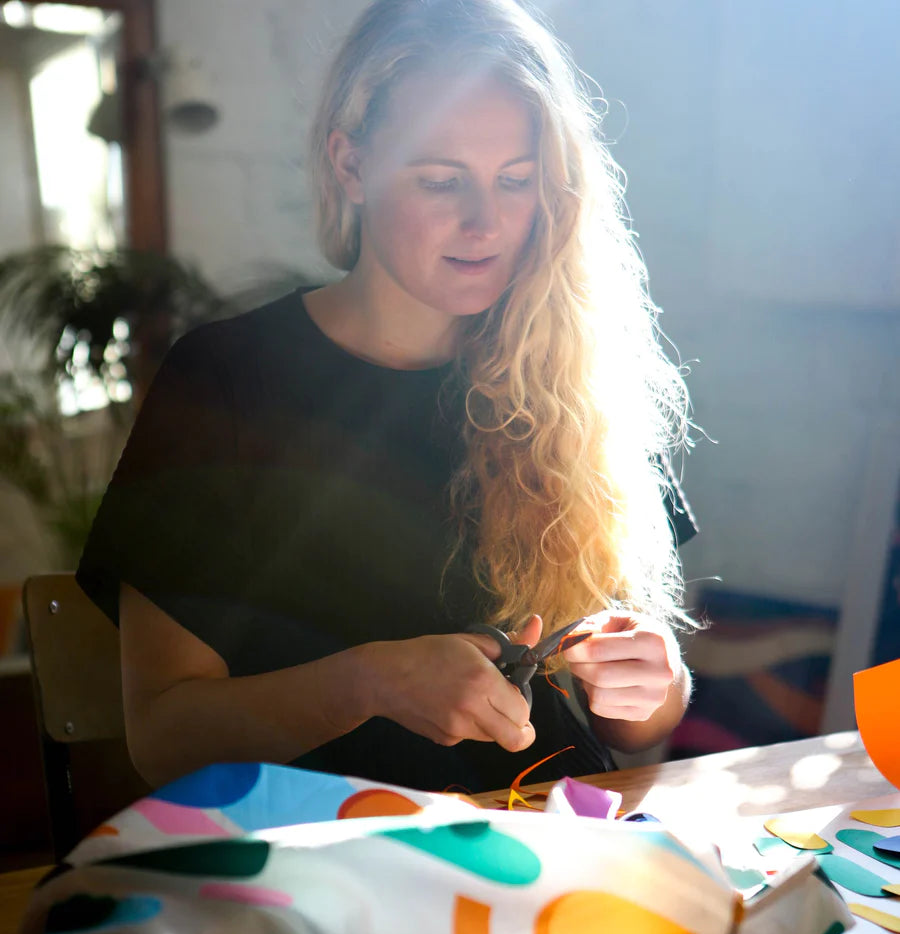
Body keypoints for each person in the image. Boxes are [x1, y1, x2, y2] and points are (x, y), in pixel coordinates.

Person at [77, 0, 698, 794]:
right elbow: (163, 737)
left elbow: (639, 725)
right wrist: (367, 683)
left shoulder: (573, 372)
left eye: (517, 181)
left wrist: (656, 682)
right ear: (350, 164)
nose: (487, 223)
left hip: (549, 847)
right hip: (315, 859)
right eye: (442, 180)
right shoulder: (225, 380)